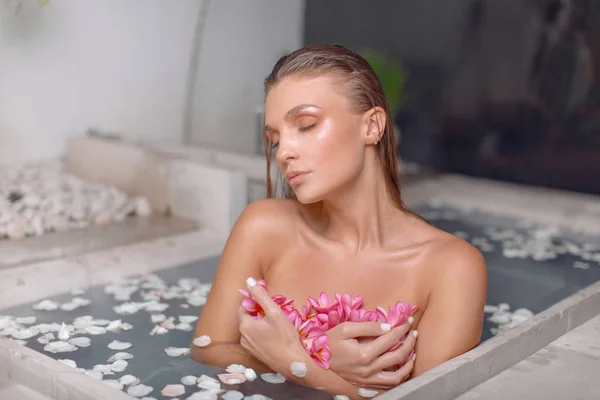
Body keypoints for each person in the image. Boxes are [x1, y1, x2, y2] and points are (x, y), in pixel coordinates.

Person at [191, 44, 487, 398]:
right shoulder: (263, 227)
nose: (284, 151)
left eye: (306, 125)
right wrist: (316, 357)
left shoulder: (451, 267)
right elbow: (206, 349)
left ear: (372, 126)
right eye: (274, 139)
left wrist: (299, 361)